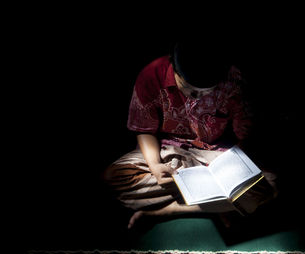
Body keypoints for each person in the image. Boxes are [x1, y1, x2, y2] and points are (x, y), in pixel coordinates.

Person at [103, 40, 278, 229]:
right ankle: (221, 206)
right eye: (189, 89)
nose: (196, 97)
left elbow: (246, 137)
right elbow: (144, 130)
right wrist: (154, 166)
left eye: (206, 91)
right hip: (170, 155)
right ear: (174, 70)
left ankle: (167, 210)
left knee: (271, 185)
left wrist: (234, 173)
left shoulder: (235, 82)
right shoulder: (152, 75)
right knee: (115, 177)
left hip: (220, 156)